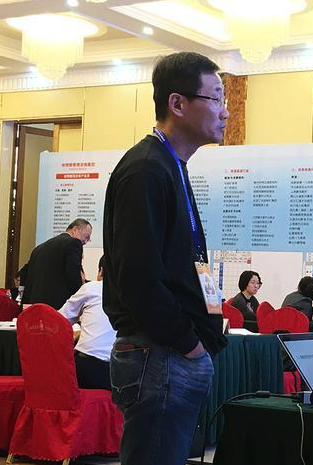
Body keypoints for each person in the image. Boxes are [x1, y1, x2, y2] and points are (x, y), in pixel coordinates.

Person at [102, 52, 229, 465]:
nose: (225, 111)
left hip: (169, 352)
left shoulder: (171, 164)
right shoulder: (146, 169)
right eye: (215, 98)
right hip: (159, 353)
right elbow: (138, 278)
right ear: (177, 103)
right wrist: (188, 344)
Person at [59, 256, 115, 390]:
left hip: (87, 367)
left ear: (101, 271)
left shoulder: (91, 288)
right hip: (121, 372)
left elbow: (59, 320)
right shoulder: (135, 294)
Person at [22, 218, 92, 310]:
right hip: (57, 307)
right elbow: (73, 276)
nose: (85, 242)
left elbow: (26, 275)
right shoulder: (74, 243)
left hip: (34, 306)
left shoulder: (38, 248)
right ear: (75, 229)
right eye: (86, 237)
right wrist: (81, 298)